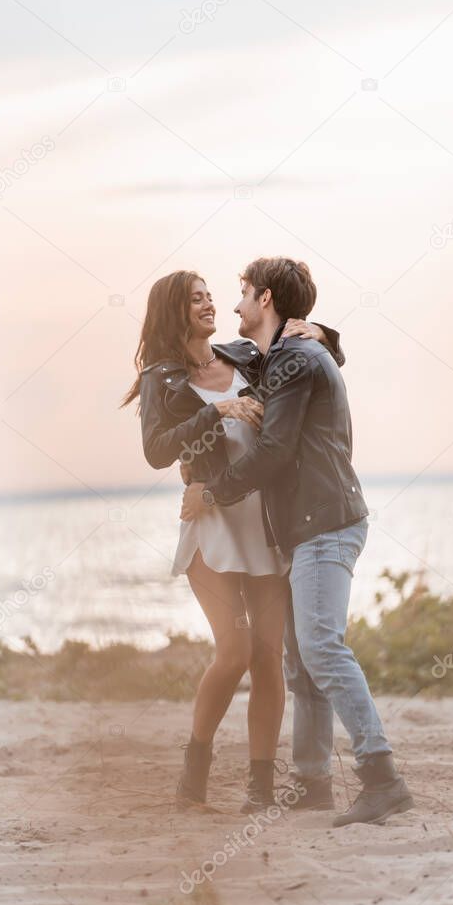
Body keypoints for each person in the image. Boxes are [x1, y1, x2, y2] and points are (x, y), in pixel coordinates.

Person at [181, 257, 414, 827]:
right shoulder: (287, 355)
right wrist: (328, 333)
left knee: (323, 650)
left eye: (240, 294)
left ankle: (381, 777)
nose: (233, 306)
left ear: (264, 299)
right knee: (303, 665)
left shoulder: (296, 358)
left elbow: (273, 451)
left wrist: (211, 495)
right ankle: (312, 783)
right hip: (310, 526)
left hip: (325, 523)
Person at [122, 270, 344, 811]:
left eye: (209, 296)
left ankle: (259, 790)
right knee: (236, 649)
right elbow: (156, 450)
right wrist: (214, 411)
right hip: (211, 524)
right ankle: (193, 771)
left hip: (263, 523)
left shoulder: (246, 354)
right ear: (174, 309)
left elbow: (312, 369)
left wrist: (325, 335)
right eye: (195, 298)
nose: (208, 304)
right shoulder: (162, 377)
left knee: (269, 657)